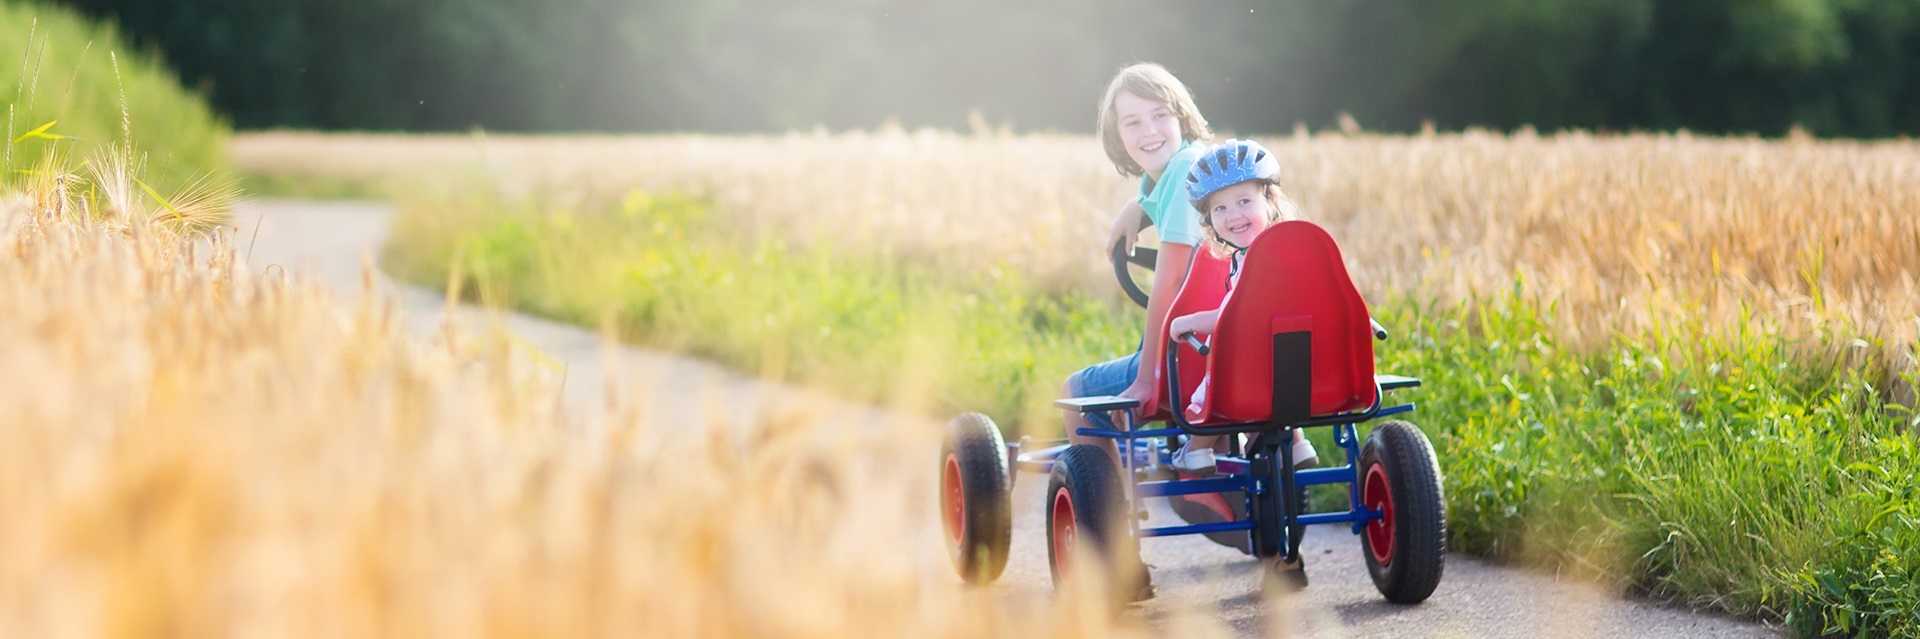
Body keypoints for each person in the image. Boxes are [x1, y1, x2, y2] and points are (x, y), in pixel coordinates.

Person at [1165, 138, 1318, 589]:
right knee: (1271, 381)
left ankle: (1196, 453)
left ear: (1270, 200)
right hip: (1306, 378)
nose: (1233, 215)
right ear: (1209, 221)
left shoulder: (1256, 258)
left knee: (1205, 395)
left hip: (1253, 382)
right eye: (1220, 209)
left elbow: (1240, 315)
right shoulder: (1298, 249)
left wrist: (1190, 321)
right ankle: (1295, 443)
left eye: (1244, 201)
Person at [1059, 62, 1212, 467]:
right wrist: (1139, 206)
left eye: (1160, 116)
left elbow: (1171, 279)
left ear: (1181, 115)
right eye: (1133, 123)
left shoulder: (1181, 176)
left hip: (1183, 354)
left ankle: (1100, 518)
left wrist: (1148, 379)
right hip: (1221, 340)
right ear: (1117, 135)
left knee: (1075, 393)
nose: (1149, 131)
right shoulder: (1203, 165)